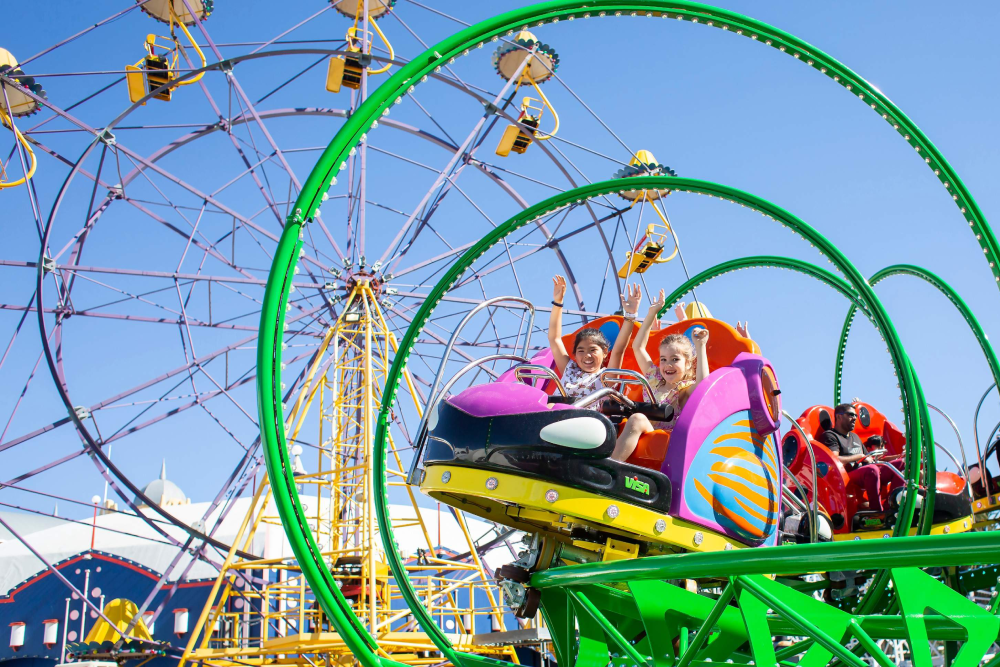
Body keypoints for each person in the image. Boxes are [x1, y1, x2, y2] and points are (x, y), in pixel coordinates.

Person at [610, 288, 710, 462]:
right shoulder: (654, 378)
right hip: (645, 432)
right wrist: (651, 313)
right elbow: (638, 347)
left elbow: (703, 384)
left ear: (688, 364)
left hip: (668, 440)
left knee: (637, 419)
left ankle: (610, 466)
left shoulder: (684, 389)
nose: (667, 365)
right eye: (663, 359)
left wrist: (700, 346)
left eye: (674, 359)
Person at [549, 275, 631, 399]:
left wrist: (630, 316)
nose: (587, 355)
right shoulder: (570, 369)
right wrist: (558, 302)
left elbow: (618, 350)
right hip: (555, 414)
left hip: (586, 417)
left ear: (604, 352)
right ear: (575, 355)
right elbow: (554, 339)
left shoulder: (606, 377)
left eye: (592, 350)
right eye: (581, 351)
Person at [815, 404, 904, 512]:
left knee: (902, 463)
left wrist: (898, 457)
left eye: (856, 416)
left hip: (866, 470)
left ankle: (893, 504)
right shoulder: (830, 435)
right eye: (851, 415)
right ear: (838, 417)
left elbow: (870, 458)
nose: (855, 418)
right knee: (872, 470)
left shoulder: (855, 437)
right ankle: (876, 511)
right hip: (846, 475)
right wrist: (859, 456)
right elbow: (834, 459)